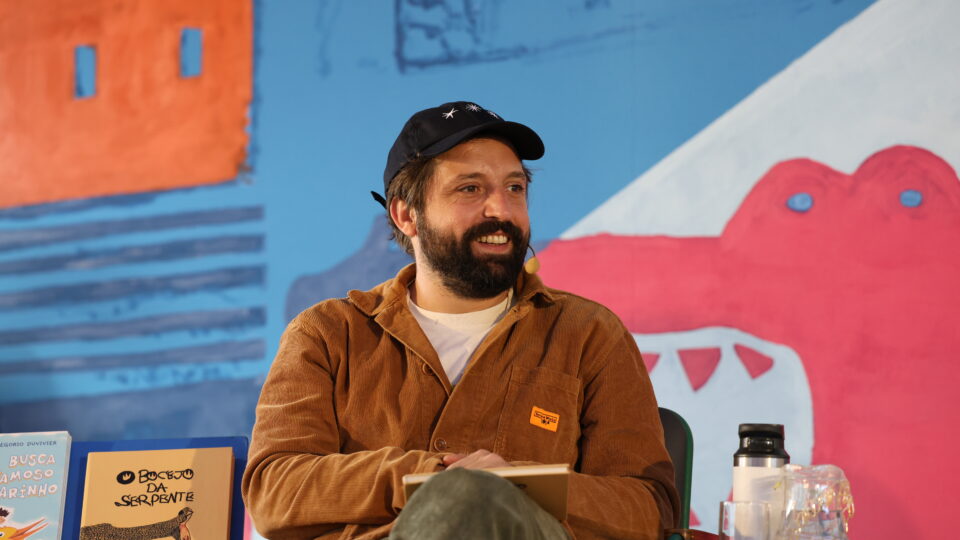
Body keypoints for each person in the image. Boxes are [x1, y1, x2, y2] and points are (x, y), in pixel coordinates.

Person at [242, 101, 679, 539]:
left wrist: (510, 491)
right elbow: (274, 490)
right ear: (406, 215)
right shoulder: (327, 334)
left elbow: (646, 509)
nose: (501, 210)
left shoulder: (589, 334)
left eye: (515, 188)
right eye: (470, 189)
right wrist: (430, 480)